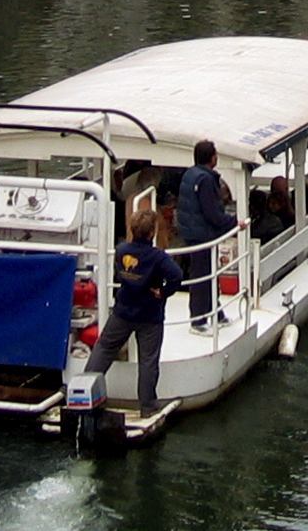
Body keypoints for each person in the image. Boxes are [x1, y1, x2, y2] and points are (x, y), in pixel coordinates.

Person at [83, 205, 183, 415]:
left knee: (104, 349)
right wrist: (164, 292)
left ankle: (84, 392)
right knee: (148, 362)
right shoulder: (158, 257)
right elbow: (176, 275)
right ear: (152, 233)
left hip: (123, 311)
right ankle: (147, 407)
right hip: (150, 315)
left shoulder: (121, 250)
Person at [175, 140, 237, 331]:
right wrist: (234, 223)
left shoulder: (190, 174)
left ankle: (215, 312)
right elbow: (212, 213)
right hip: (202, 235)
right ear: (212, 158)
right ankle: (198, 320)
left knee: (208, 274)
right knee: (202, 277)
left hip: (192, 232)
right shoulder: (206, 180)